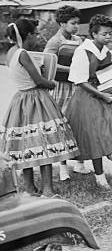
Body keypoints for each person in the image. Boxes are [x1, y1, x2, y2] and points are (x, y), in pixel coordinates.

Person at [0, 19, 80, 197]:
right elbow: (39, 80)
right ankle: (47, 189)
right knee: (45, 142)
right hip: (36, 99)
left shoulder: (10, 53)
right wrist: (51, 83)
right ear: (28, 35)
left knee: (26, 145)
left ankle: (29, 188)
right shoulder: (23, 53)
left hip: (20, 100)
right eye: (35, 33)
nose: (36, 37)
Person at [64, 15, 112, 189]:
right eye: (104, 34)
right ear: (93, 34)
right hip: (86, 97)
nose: (108, 37)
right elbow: (81, 81)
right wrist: (102, 96)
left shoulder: (110, 53)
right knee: (94, 135)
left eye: (110, 33)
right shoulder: (83, 51)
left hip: (105, 93)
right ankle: (100, 176)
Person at [44, 5, 92, 180]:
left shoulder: (78, 40)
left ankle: (80, 164)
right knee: (62, 125)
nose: (76, 26)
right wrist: (72, 68)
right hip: (61, 87)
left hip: (76, 86)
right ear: (62, 23)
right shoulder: (54, 42)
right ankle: (63, 167)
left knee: (78, 124)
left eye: (77, 23)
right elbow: (48, 63)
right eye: (72, 23)